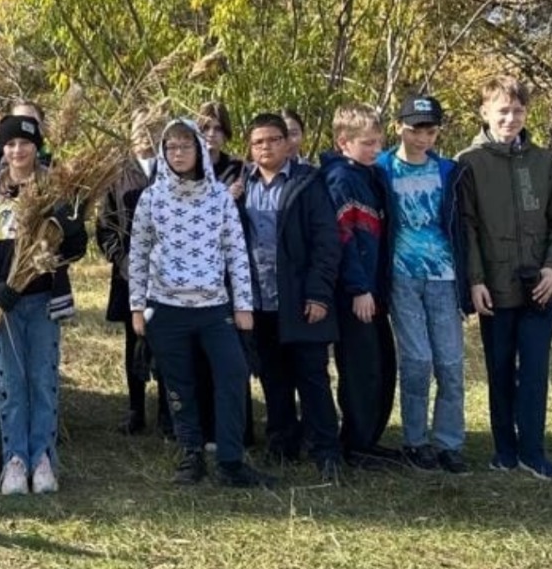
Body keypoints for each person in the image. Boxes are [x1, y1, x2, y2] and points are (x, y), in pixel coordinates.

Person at [128, 119, 275, 489]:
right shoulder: (152, 198)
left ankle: (230, 460)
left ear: (199, 150)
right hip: (166, 307)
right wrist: (136, 308)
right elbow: (139, 252)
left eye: (185, 146)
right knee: (179, 384)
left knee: (232, 374)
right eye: (171, 147)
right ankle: (191, 454)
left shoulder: (219, 197)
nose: (178, 154)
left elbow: (236, 253)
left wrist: (243, 306)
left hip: (213, 307)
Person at [0, 115, 87, 495]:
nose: (18, 151)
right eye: (11, 144)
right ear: (3, 148)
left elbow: (75, 249)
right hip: (5, 305)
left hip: (43, 300)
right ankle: (14, 459)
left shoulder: (55, 189)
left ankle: (43, 458)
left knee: (42, 380)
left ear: (37, 147)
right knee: (11, 383)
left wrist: (71, 226)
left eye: (25, 143)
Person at [458, 76, 552, 480]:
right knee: (500, 368)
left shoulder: (543, 162)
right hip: (495, 288)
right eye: (503, 110)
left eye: (518, 111)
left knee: (535, 369)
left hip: (541, 289)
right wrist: (475, 280)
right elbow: (467, 228)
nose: (510, 118)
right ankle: (504, 449)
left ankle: (533, 450)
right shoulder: (468, 163)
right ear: (485, 113)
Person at [236, 113, 344, 484]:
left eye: (273, 140)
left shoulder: (307, 183)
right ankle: (282, 443)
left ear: (287, 143)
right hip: (258, 300)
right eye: (258, 142)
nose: (266, 147)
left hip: (299, 298)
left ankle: (326, 449)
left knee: (312, 377)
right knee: (272, 376)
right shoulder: (240, 186)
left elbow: (326, 242)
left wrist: (318, 294)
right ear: (249, 149)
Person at [377, 94, 471, 474]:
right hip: (402, 276)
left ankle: (449, 442)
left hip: (444, 277)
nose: (422, 138)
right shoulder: (381, 169)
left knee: (449, 362)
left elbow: (464, 226)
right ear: (400, 126)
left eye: (430, 131)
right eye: (415, 129)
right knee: (417, 361)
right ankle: (415, 441)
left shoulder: (450, 171)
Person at [320, 103, 400, 470]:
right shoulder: (340, 179)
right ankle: (354, 442)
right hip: (356, 293)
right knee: (360, 367)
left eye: (378, 142)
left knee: (383, 364)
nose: (375, 149)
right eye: (367, 143)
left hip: (378, 289)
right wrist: (357, 288)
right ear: (343, 142)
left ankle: (370, 437)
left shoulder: (373, 175)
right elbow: (344, 238)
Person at [97, 111, 166, 435]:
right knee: (133, 341)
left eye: (152, 130)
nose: (145, 136)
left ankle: (169, 411)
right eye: (140, 130)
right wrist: (123, 262)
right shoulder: (118, 173)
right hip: (129, 275)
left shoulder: (173, 169)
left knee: (168, 342)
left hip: (168, 275)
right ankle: (135, 409)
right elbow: (105, 227)